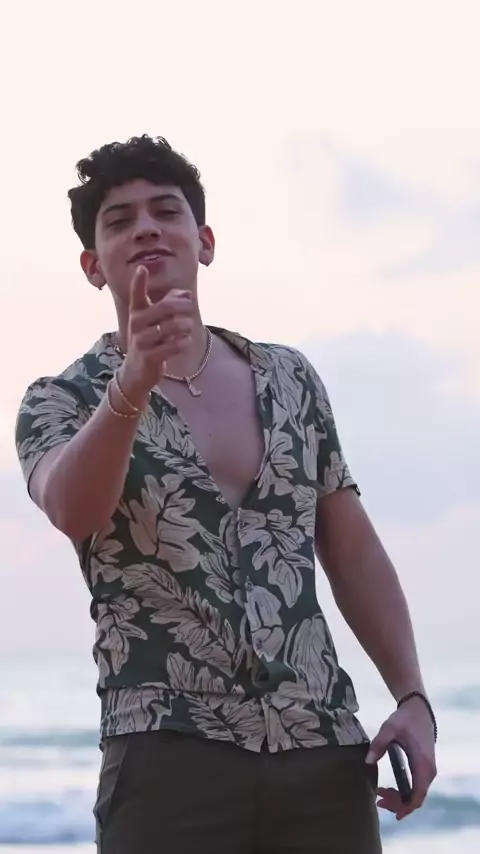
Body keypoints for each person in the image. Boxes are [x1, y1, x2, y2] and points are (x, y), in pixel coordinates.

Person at [15, 135, 437, 854]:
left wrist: (414, 698)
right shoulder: (61, 400)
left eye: (165, 211)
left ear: (204, 242)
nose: (145, 228)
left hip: (321, 744)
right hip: (167, 754)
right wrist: (132, 384)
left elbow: (353, 551)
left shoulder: (289, 379)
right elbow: (71, 508)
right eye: (119, 220)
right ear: (93, 265)